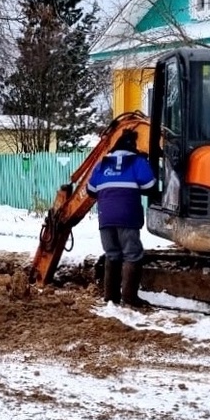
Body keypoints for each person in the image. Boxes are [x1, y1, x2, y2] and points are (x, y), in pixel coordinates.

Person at [87, 128, 156, 307]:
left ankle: (110, 297)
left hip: (105, 218)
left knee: (112, 254)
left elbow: (91, 190)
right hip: (128, 217)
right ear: (133, 146)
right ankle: (130, 298)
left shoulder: (102, 164)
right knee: (132, 255)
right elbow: (150, 186)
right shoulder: (138, 162)